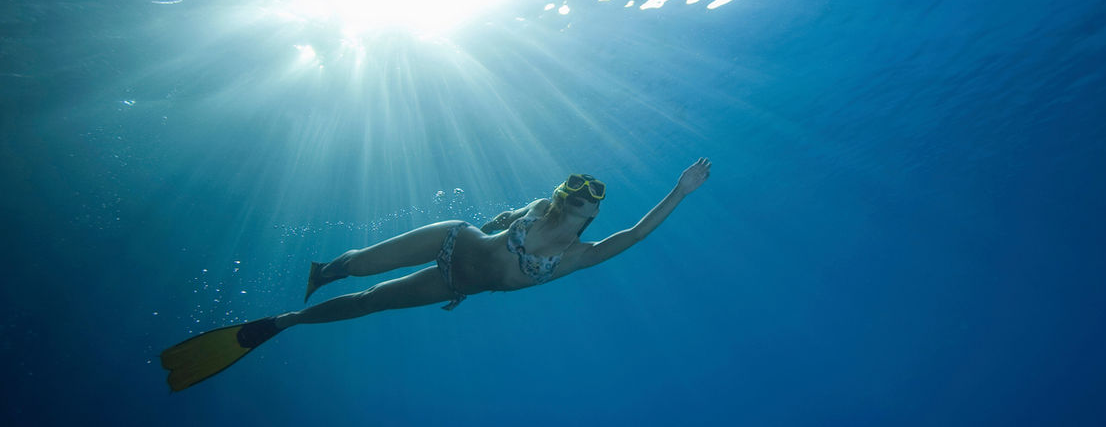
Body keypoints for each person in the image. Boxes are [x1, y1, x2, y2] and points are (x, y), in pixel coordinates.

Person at [160, 158, 711, 391]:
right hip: (452, 237)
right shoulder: (540, 206)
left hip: (453, 284)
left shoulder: (578, 257)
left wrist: (679, 192)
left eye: (582, 213)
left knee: (370, 299)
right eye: (569, 203)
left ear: (590, 218)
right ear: (564, 201)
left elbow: (636, 234)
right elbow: (501, 220)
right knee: (360, 266)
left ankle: (280, 323)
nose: (572, 214)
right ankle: (324, 270)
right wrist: (502, 221)